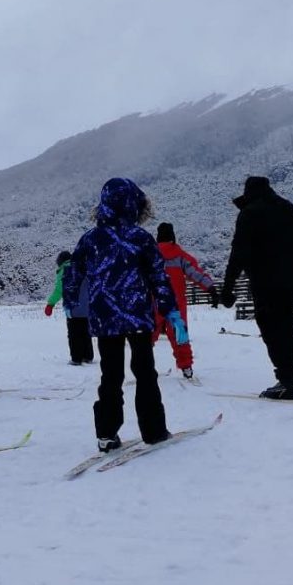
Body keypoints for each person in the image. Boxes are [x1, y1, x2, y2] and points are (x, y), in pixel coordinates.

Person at [64, 178, 187, 452]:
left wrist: (71, 301)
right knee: (145, 373)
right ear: (134, 203)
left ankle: (107, 433)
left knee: (111, 375)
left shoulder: (90, 239)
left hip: (105, 317)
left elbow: (74, 272)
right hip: (137, 317)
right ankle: (154, 430)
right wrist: (171, 312)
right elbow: (159, 277)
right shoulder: (140, 238)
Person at [219, 176, 293, 400]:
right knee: (285, 327)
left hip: (265, 281)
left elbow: (239, 253)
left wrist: (228, 287)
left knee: (272, 329)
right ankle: (288, 378)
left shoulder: (249, 213)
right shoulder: (287, 208)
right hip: (291, 280)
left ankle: (287, 380)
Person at [153, 222, 219, 379]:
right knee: (180, 335)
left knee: (147, 335)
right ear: (172, 236)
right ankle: (186, 367)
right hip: (175, 304)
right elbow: (195, 273)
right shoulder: (180, 255)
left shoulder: (150, 254)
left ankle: (144, 365)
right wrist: (211, 288)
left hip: (153, 302)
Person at [44, 250, 93, 365]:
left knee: (74, 334)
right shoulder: (84, 268)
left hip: (73, 308)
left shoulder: (64, 271)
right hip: (87, 308)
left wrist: (50, 304)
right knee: (86, 332)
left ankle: (76, 358)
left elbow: (59, 290)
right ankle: (88, 356)